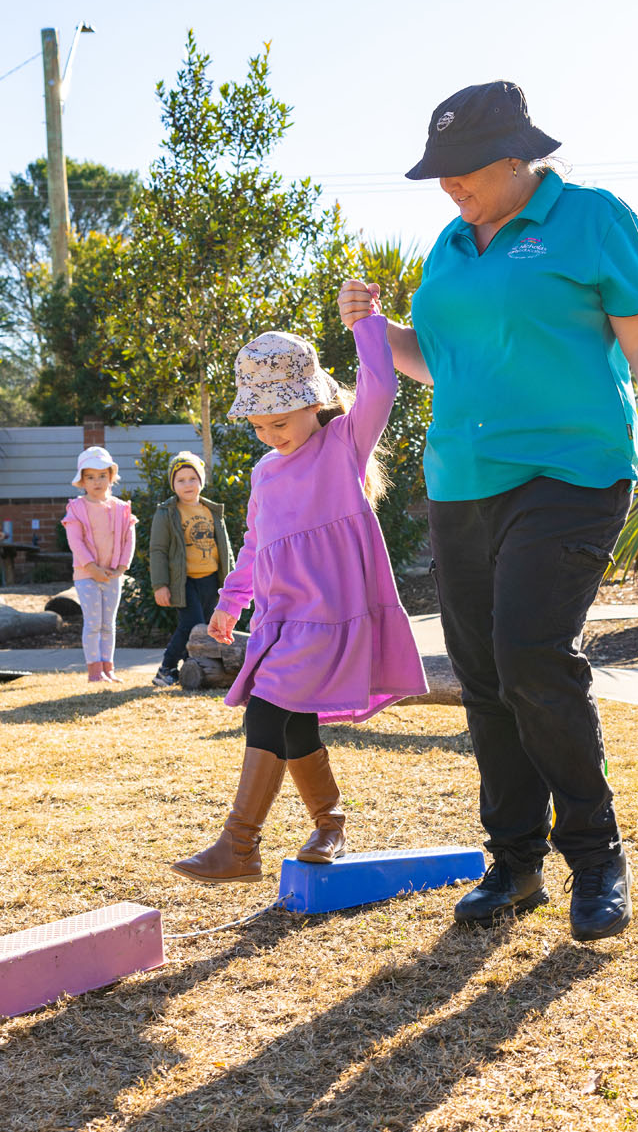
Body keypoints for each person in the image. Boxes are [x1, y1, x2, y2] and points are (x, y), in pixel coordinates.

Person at [336, 80, 638, 943]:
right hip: (462, 479)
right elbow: (437, 362)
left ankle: (596, 852)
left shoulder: (590, 218)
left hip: (572, 470)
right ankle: (513, 862)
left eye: (461, 169)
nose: (446, 185)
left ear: (516, 157)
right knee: (486, 675)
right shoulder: (450, 247)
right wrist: (378, 329)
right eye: (437, 171)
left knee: (531, 651)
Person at [170, 313, 425, 884]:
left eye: (279, 421)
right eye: (259, 426)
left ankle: (240, 845)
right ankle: (329, 826)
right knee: (293, 722)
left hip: (330, 617)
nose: (270, 435)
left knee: (267, 707)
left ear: (315, 402)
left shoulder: (343, 446)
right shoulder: (266, 472)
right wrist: (232, 600)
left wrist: (366, 325)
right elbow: (257, 544)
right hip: (282, 619)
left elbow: (381, 387)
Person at [149, 452, 233, 688]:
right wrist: (160, 585)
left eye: (192, 478)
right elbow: (157, 550)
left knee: (207, 627)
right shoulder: (167, 512)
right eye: (181, 480)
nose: (187, 484)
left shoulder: (212, 510)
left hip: (212, 580)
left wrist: (233, 581)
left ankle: (192, 670)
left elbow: (225, 548)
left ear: (201, 481)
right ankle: (166, 669)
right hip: (184, 581)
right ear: (172, 484)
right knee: (192, 626)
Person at [61, 446, 136, 683]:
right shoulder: (76, 508)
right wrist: (93, 568)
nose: (97, 481)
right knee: (93, 623)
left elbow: (128, 538)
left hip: (113, 575)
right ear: (82, 480)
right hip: (86, 575)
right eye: (91, 477)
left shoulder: (122, 508)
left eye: (102, 475)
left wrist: (121, 568)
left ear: (111, 477)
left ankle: (108, 668)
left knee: (109, 624)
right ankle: (94, 671)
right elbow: (76, 542)